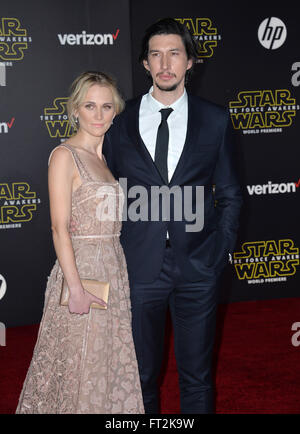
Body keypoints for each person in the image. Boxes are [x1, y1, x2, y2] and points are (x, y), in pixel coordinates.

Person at [103, 18, 243, 414]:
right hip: (138, 267)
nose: (165, 64)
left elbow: (231, 194)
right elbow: (104, 190)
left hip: (198, 267)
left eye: (174, 53)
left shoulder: (215, 120)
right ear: (145, 64)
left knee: (197, 377)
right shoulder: (119, 120)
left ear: (190, 61)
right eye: (156, 54)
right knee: (140, 376)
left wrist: (218, 255)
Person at [16, 71, 144, 414]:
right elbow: (59, 228)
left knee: (104, 363)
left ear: (115, 111)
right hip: (82, 271)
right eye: (90, 106)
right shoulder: (64, 156)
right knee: (78, 365)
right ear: (75, 110)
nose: (99, 115)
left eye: (106, 106)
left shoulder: (104, 160)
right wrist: (74, 288)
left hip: (113, 270)